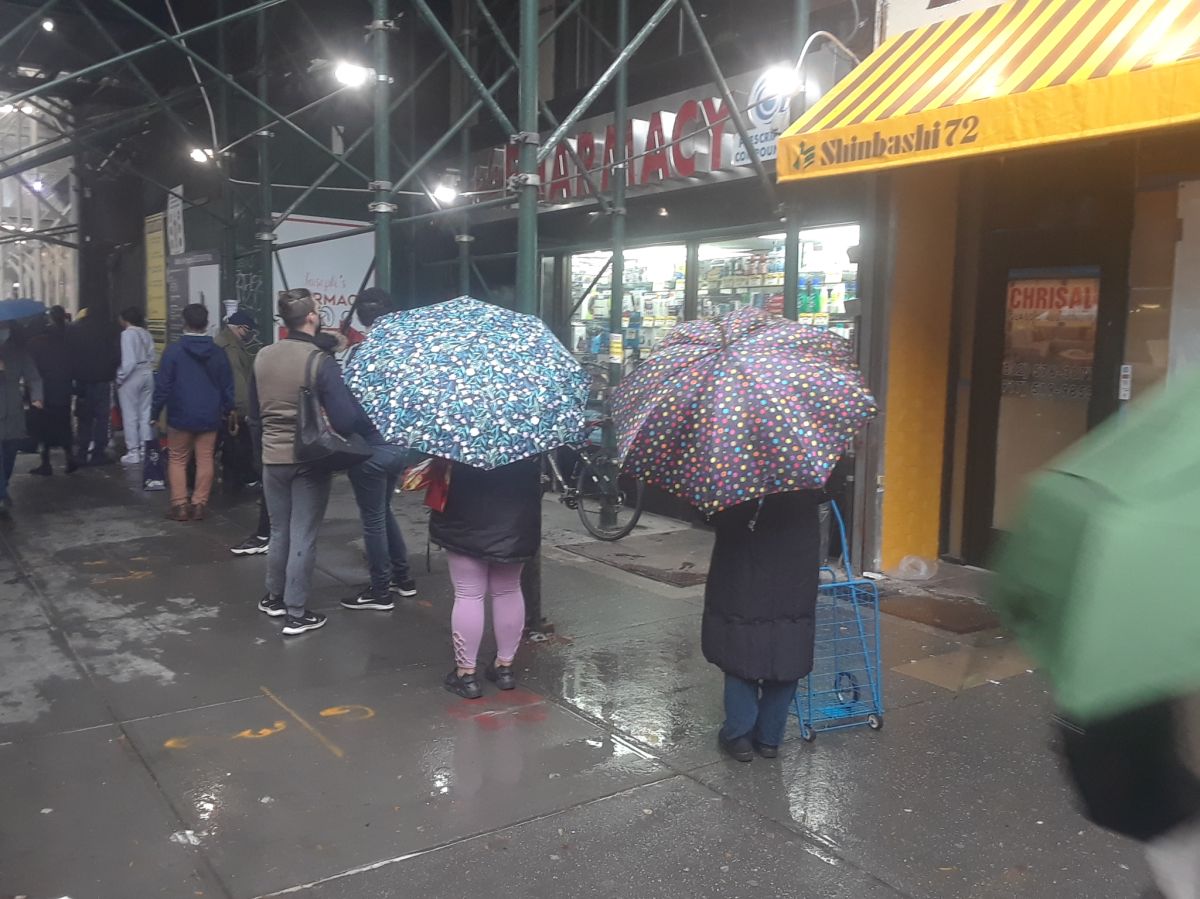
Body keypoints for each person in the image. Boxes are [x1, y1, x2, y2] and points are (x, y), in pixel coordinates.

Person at [250, 289, 367, 636]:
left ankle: (274, 597)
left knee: (279, 530)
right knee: (303, 534)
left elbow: (253, 412)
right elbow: (345, 419)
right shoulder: (319, 361)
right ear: (313, 317)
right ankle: (296, 612)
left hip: (272, 456)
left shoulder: (263, 356)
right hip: (309, 458)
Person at [703, 490, 822, 761]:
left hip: (742, 568)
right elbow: (827, 493)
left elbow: (713, 515)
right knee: (788, 646)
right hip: (795, 569)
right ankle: (769, 738)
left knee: (740, 647)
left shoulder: (734, 477)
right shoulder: (803, 474)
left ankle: (739, 736)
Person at [431, 457, 542, 699]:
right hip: (516, 520)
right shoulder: (529, 437)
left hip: (464, 516)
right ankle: (504, 668)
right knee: (509, 589)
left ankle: (466, 674)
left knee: (468, 593)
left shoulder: (458, 436)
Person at [341, 287, 416, 611]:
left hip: (370, 448)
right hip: (400, 445)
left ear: (361, 317)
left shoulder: (358, 354)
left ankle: (380, 590)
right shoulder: (407, 352)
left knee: (372, 519)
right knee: (383, 511)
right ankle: (403, 577)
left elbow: (347, 405)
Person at [151, 304, 234, 522]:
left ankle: (180, 505)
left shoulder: (173, 352)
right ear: (206, 323)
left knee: (177, 459)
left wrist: (154, 412)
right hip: (210, 414)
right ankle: (199, 504)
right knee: (205, 458)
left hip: (180, 414)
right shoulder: (218, 352)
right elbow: (227, 385)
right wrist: (229, 409)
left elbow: (162, 386)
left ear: (184, 323)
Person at [67, 306, 120, 466]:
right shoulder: (109, 329)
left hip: (82, 382)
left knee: (84, 418)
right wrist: (110, 372)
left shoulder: (75, 329)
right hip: (102, 381)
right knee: (102, 418)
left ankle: (82, 453)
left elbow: (69, 354)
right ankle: (98, 453)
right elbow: (116, 355)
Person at [0, 323, 43, 514]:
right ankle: (1, 495)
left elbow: (33, 377)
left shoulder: (18, 351)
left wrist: (37, 397)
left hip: (13, 409)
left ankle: (3, 485)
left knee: (10, 451)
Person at [28, 306, 76, 475]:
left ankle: (46, 463)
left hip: (45, 388)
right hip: (63, 387)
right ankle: (70, 457)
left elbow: (33, 368)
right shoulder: (69, 339)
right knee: (64, 422)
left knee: (44, 426)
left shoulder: (37, 342)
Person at [215, 310, 259, 489]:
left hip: (222, 404)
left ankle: (231, 477)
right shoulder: (231, 348)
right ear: (242, 328)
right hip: (233, 407)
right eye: (249, 330)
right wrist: (243, 409)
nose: (250, 335)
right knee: (239, 444)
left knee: (229, 445)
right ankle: (242, 478)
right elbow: (237, 381)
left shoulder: (224, 342)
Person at [116, 306, 156, 466]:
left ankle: (133, 452)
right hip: (147, 372)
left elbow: (129, 361)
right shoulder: (146, 333)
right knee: (145, 414)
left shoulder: (127, 334)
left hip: (132, 376)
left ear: (125, 319)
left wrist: (120, 378)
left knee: (130, 415)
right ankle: (146, 449)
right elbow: (152, 355)